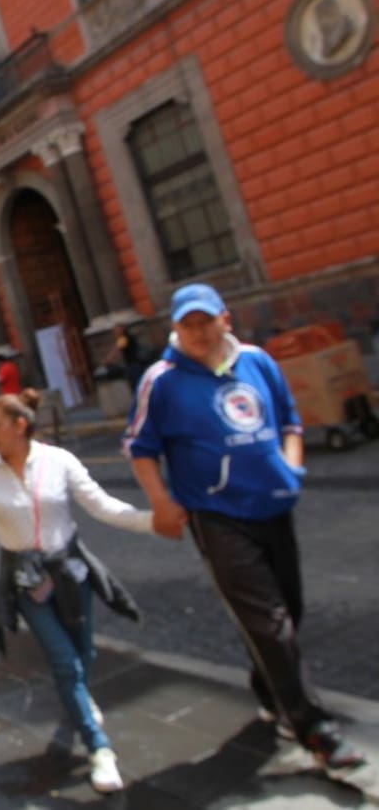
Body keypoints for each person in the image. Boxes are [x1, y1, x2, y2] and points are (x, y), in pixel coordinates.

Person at [124, 282, 365, 770]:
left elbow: (291, 422)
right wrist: (161, 502)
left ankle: (270, 689)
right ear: (175, 328)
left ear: (224, 320)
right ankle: (312, 728)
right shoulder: (162, 380)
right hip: (218, 518)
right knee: (271, 622)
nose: (197, 331)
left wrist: (292, 468)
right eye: (186, 324)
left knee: (287, 613)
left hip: (274, 506)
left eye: (205, 321)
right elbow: (140, 448)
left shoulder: (258, 361)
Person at [0, 388, 163, 794]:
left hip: (69, 571)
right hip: (24, 581)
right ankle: (99, 748)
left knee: (84, 652)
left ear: (20, 425)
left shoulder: (59, 461)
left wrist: (151, 521)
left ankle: (80, 698)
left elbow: (100, 506)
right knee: (64, 661)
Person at [103, 324, 147, 391]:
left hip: (133, 364)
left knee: (136, 384)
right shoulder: (128, 336)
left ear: (122, 329)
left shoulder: (124, 338)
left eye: (116, 330)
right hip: (135, 363)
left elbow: (116, 350)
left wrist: (108, 360)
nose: (115, 332)